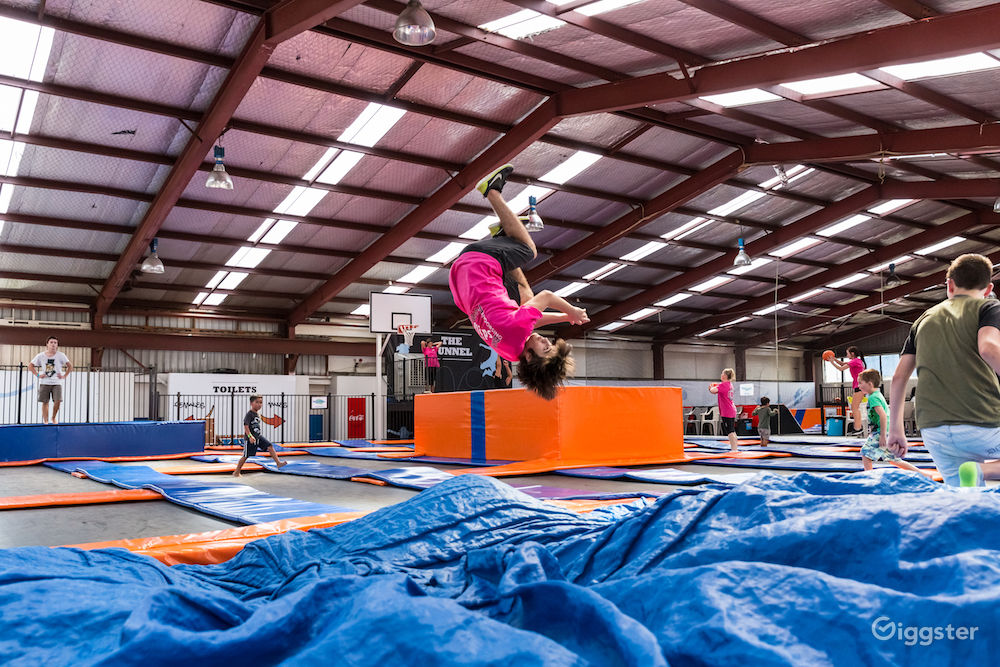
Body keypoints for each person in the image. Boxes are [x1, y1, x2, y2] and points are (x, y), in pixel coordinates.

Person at [449, 164, 588, 400]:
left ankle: (491, 190)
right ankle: (503, 236)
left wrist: (571, 310)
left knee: (528, 250)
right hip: (463, 279)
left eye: (545, 346)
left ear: (531, 357)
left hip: (479, 263)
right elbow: (531, 315)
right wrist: (565, 318)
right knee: (526, 297)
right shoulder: (513, 351)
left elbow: (546, 297)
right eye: (550, 343)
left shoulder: (519, 331)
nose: (546, 340)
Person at [887, 253, 1000, 487]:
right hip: (982, 422)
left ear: (949, 284)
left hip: (933, 430)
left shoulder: (923, 319)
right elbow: (988, 347)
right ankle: (981, 471)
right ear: (988, 288)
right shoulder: (988, 306)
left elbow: (899, 377)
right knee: (975, 475)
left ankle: (976, 475)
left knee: (964, 500)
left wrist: (896, 429)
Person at [856, 369, 923, 474]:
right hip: (887, 430)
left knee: (865, 453)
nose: (858, 385)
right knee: (893, 459)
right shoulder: (877, 395)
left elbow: (883, 415)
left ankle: (869, 477)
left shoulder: (873, 397)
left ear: (870, 384)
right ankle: (923, 474)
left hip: (881, 431)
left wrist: (882, 435)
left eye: (860, 383)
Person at [234, 394, 287, 477]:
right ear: (251, 403)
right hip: (250, 438)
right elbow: (246, 426)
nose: (259, 404)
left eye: (261, 402)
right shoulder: (249, 414)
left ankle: (278, 463)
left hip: (258, 437)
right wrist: (250, 436)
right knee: (246, 455)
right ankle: (236, 472)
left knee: (270, 446)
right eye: (257, 402)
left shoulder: (257, 414)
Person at [27, 336, 72, 425]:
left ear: (57, 345)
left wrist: (64, 376)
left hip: (57, 382)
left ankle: (53, 417)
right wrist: (38, 375)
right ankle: (46, 420)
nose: (53, 344)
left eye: (55, 343)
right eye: (51, 342)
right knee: (45, 402)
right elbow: (30, 366)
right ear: (47, 344)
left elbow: (70, 366)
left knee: (57, 401)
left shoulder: (61, 355)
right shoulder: (40, 355)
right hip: (45, 382)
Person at [827, 346, 866, 435]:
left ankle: (858, 428)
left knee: (854, 407)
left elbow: (841, 368)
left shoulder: (855, 361)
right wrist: (834, 359)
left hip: (860, 386)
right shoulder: (856, 361)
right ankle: (858, 427)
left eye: (847, 353)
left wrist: (832, 362)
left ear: (852, 354)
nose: (846, 355)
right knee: (855, 407)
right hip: (859, 386)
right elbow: (842, 364)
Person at [709, 368, 739, 453]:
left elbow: (713, 391)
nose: (721, 375)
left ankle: (734, 449)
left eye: (722, 374)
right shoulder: (729, 384)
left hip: (727, 411)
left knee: (730, 431)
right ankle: (735, 448)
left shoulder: (723, 385)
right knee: (732, 430)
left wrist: (711, 387)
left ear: (725, 376)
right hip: (730, 409)